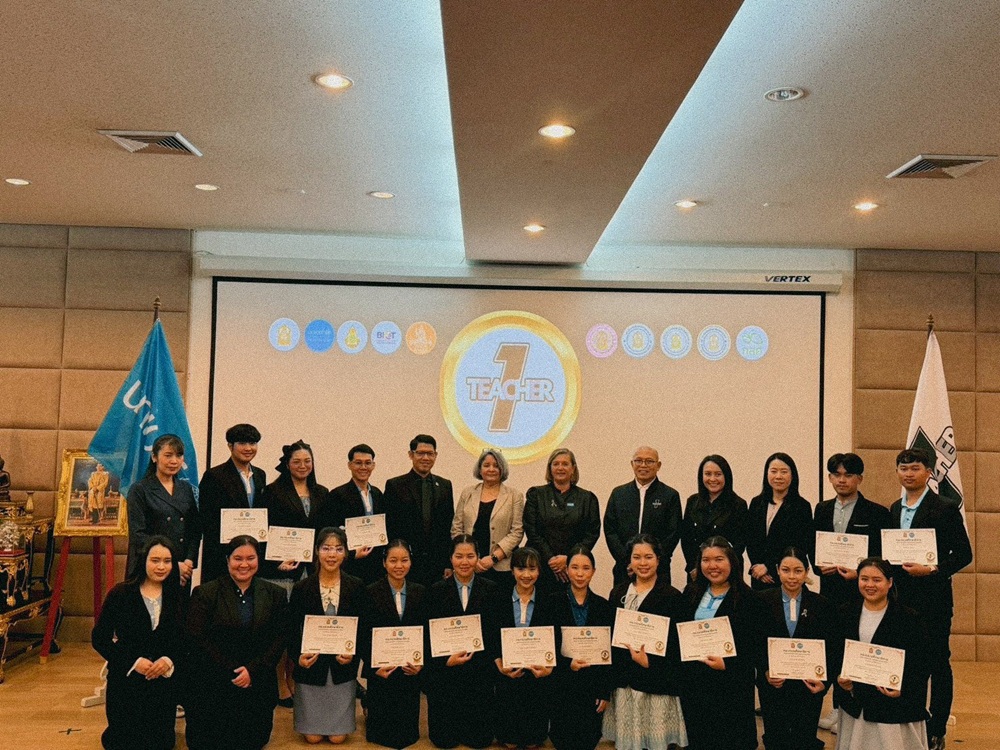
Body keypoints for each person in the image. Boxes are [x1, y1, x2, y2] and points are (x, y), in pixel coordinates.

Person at [888, 448, 972, 750]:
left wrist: (933, 569)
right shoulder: (894, 508)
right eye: (903, 468)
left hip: (933, 600)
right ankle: (910, 720)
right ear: (897, 472)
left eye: (915, 468)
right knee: (906, 661)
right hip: (900, 600)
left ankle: (937, 728)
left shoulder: (945, 507)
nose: (908, 473)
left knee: (937, 663)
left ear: (929, 473)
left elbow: (964, 555)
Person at [184, 536, 288, 750]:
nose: (244, 564)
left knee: (253, 742)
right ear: (227, 560)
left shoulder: (275, 594)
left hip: (256, 683)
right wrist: (232, 670)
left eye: (251, 558)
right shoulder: (205, 593)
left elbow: (279, 637)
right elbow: (197, 639)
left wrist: (252, 670)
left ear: (258, 560)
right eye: (237, 558)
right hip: (215, 684)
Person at [813, 452, 889, 731]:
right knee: (833, 647)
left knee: (856, 648)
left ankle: (859, 706)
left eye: (848, 475)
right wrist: (819, 566)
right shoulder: (822, 509)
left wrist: (860, 573)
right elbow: (815, 546)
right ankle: (836, 708)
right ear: (830, 478)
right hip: (829, 592)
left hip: (862, 594)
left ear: (860, 478)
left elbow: (882, 555)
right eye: (836, 475)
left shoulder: (877, 512)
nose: (842, 480)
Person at [91, 535, 183, 750]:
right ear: (143, 560)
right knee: (123, 742)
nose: (161, 567)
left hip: (162, 682)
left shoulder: (178, 596)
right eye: (155, 560)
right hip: (127, 679)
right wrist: (133, 662)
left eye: (167, 561)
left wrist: (168, 661)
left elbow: (185, 640)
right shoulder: (120, 593)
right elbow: (99, 638)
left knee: (161, 744)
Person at [259, 440, 329, 707]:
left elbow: (325, 532)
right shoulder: (272, 492)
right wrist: (276, 560)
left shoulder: (322, 492)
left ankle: (293, 676)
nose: (303, 466)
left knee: (300, 629)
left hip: (310, 573)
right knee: (281, 629)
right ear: (287, 464)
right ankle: (279, 682)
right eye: (297, 461)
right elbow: (263, 532)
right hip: (281, 573)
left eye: (307, 461)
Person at [834, 557, 930, 750]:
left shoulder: (909, 618)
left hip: (893, 708)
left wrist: (903, 688)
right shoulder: (845, 613)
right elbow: (835, 654)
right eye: (864, 579)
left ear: (890, 582)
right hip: (857, 705)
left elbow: (922, 662)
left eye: (877, 580)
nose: (870, 585)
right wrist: (840, 679)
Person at [679, 536, 764, 750]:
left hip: (731, 686)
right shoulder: (691, 592)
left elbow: (755, 646)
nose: (712, 566)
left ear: (731, 562)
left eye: (719, 559)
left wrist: (728, 664)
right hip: (696, 683)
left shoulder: (749, 598)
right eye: (706, 560)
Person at [603, 533, 687, 750]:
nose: (643, 563)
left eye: (648, 557)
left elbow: (678, 646)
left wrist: (650, 662)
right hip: (625, 682)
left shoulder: (672, 596)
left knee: (656, 743)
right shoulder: (618, 592)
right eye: (637, 557)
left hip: (656, 681)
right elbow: (610, 636)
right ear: (629, 560)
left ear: (658, 559)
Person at [288, 527, 365, 744]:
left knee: (338, 738)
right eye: (326, 548)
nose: (332, 555)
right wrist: (298, 658)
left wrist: (353, 655)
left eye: (338, 549)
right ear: (316, 551)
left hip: (342, 669)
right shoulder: (302, 588)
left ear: (346, 553)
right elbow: (291, 629)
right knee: (312, 738)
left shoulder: (356, 586)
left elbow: (363, 628)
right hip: (312, 669)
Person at [757, 547, 837, 750]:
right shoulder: (762, 601)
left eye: (798, 570)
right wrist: (765, 671)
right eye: (786, 570)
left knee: (805, 739)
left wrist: (824, 682)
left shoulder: (822, 604)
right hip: (774, 685)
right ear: (777, 570)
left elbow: (832, 647)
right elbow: (754, 642)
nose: (791, 576)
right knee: (775, 738)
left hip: (808, 688)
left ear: (807, 572)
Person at [424, 534, 499, 749]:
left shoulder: (492, 589)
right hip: (446, 673)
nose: (464, 562)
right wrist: (445, 661)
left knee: (480, 741)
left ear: (478, 557)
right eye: (459, 556)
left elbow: (495, 633)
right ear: (450, 558)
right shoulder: (436, 591)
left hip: (479, 673)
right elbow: (429, 636)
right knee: (443, 742)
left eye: (470, 556)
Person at [360, 539, 427, 749]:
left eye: (404, 560)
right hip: (382, 672)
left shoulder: (420, 592)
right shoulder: (370, 592)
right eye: (393, 560)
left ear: (411, 562)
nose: (399, 566)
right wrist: (374, 667)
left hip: (409, 671)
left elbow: (426, 633)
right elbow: (362, 634)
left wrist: (421, 663)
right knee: (382, 732)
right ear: (384, 563)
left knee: (407, 735)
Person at [547, 544, 613, 750]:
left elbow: (609, 653)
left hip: (591, 688)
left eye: (586, 568)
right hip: (562, 687)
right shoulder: (552, 603)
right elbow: (548, 647)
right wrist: (568, 664)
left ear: (593, 571)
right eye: (575, 567)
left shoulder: (604, 606)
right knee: (562, 741)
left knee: (588, 741)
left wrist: (604, 692)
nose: (580, 573)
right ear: (567, 570)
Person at [492, 547, 554, 748]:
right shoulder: (499, 598)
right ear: (512, 571)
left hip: (537, 675)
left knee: (533, 742)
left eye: (532, 569)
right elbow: (491, 634)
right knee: (509, 741)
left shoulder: (548, 600)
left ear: (539, 571)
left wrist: (549, 668)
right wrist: (499, 664)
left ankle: (534, 733)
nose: (526, 575)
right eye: (521, 569)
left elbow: (555, 638)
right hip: (508, 674)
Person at [126, 434, 201, 587]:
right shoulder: (140, 489)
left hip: (183, 570)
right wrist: (171, 564)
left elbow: (194, 529)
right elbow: (138, 534)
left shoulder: (186, 488)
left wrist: (188, 561)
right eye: (168, 455)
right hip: (150, 566)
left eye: (179, 455)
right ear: (154, 457)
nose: (174, 461)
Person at [603, 446, 682, 587]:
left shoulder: (670, 495)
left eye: (649, 461)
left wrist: (653, 561)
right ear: (632, 464)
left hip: (659, 570)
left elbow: (673, 533)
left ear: (658, 465)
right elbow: (610, 530)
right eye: (638, 461)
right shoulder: (618, 494)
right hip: (624, 569)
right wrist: (629, 561)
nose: (643, 465)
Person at [524, 449, 601, 591]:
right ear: (550, 468)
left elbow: (592, 533)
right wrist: (552, 560)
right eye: (556, 464)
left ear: (573, 469)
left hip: (572, 569)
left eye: (565, 464)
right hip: (540, 565)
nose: (560, 468)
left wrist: (569, 559)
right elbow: (531, 530)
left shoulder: (587, 498)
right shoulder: (536, 495)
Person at [383, 434, 455, 587]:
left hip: (437, 565)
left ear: (436, 455)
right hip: (405, 564)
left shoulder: (445, 486)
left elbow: (448, 526)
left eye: (430, 453)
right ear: (411, 455)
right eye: (420, 453)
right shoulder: (395, 485)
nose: (425, 458)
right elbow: (389, 526)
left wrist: (448, 563)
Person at [198, 423, 266, 583]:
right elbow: (205, 518)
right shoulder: (214, 476)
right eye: (242, 443)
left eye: (252, 443)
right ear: (230, 446)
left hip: (250, 554)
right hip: (221, 555)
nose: (248, 448)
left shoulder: (260, 475)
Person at [451, 448, 524, 589]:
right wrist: (469, 558)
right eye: (486, 465)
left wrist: (493, 558)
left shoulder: (514, 496)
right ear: (479, 469)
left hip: (501, 567)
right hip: (469, 566)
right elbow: (457, 528)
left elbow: (517, 532)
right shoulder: (468, 493)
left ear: (502, 469)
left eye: (496, 466)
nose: (491, 469)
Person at [747, 452, 814, 591]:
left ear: (792, 475)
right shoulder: (756, 503)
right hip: (759, 576)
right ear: (766, 474)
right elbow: (750, 539)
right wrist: (757, 567)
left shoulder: (802, 506)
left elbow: (801, 544)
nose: (778, 476)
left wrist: (769, 567)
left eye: (784, 472)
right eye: (773, 471)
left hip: (786, 577)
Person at [324, 443, 386, 585]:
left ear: (373, 465)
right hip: (350, 566)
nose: (363, 467)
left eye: (368, 463)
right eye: (358, 463)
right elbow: (330, 533)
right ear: (349, 465)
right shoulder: (337, 496)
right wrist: (351, 554)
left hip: (376, 566)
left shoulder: (378, 494)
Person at [680, 454, 748, 582]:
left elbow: (740, 542)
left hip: (727, 571)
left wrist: (723, 566)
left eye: (718, 474)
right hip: (697, 569)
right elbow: (686, 538)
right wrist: (694, 567)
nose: (712, 479)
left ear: (726, 476)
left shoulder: (738, 504)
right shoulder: (693, 501)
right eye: (708, 474)